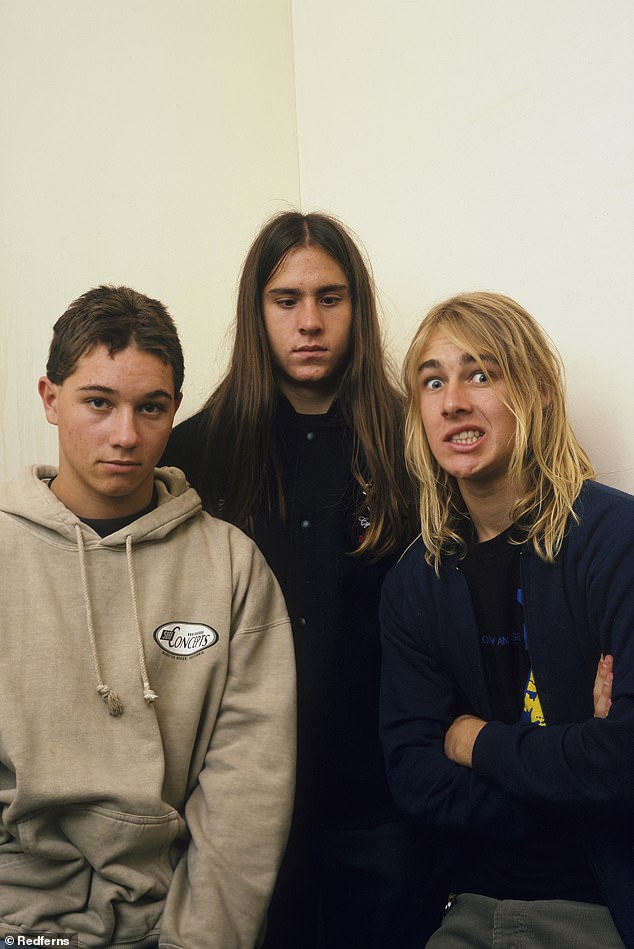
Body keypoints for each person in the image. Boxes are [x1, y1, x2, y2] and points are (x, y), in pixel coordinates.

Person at [162, 211, 434, 948]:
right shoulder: (193, 456)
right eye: (287, 300)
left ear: (358, 309)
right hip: (235, 813)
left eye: (330, 298)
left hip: (383, 813)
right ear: (258, 312)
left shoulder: (414, 446)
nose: (309, 321)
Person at [0, 286, 295, 948]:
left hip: (162, 924)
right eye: (98, 403)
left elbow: (244, 806)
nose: (126, 435)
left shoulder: (232, 568)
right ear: (50, 398)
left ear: (175, 413)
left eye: (150, 408)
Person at [379, 291, 634, 948]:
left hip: (597, 907)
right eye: (433, 380)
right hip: (464, 905)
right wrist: (573, 776)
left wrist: (473, 741)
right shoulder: (417, 577)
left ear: (541, 389)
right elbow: (413, 776)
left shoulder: (614, 541)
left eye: (481, 373)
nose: (453, 400)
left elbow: (624, 764)